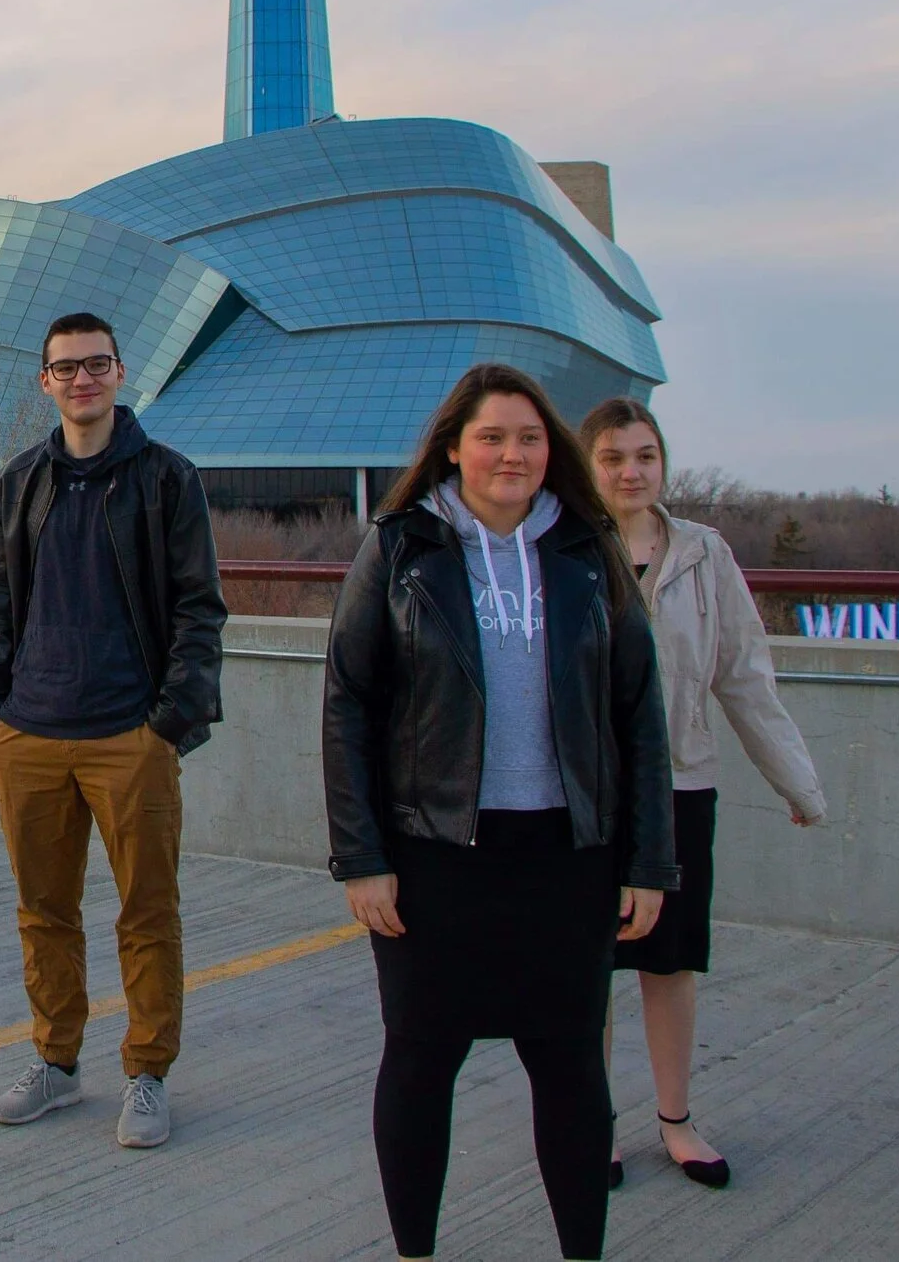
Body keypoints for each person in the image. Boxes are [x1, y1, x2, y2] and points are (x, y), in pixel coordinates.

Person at [322, 363, 677, 1262]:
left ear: (548, 450)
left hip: (567, 857)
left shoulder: (586, 549)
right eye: (491, 437)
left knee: (569, 1068)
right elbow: (348, 703)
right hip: (435, 854)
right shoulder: (402, 546)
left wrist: (648, 861)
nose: (511, 453)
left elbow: (639, 711)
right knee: (420, 1061)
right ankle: (414, 1250)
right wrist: (361, 855)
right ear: (454, 448)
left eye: (527, 437)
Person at [0, 312, 227, 1151]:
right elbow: (1, 604)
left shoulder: (165, 478)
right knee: (43, 910)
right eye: (66, 368)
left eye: (96, 365)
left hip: (131, 733)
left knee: (146, 911)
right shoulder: (20, 481)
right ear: (44, 382)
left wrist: (167, 725)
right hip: (32, 733)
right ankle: (56, 1060)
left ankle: (147, 1072)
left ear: (122, 373)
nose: (82, 379)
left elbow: (200, 608)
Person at [582, 396, 826, 1191]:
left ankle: (677, 1119)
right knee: (588, 964)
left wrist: (796, 779)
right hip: (584, 795)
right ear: (588, 464)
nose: (630, 470)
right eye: (614, 455)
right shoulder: (563, 548)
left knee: (670, 960)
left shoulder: (703, 554)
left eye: (645, 455)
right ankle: (593, 1121)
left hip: (681, 786)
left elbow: (745, 676)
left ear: (664, 463)